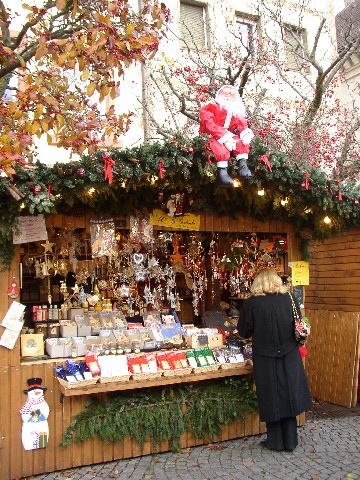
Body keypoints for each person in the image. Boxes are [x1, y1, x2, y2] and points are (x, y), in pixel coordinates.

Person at [237, 268, 312, 452]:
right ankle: (291, 441)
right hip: (289, 354)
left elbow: (244, 331)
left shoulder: (252, 304)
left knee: (271, 396)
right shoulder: (290, 299)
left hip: (265, 357)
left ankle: (275, 442)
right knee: (289, 394)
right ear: (277, 281)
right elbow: (298, 322)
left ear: (258, 284)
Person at [199, 84, 254, 186]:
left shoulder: (235, 110)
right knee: (219, 146)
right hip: (214, 135)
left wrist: (245, 132)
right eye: (226, 95)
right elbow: (209, 124)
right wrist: (223, 136)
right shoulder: (211, 107)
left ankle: (243, 166)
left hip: (230, 135)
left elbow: (241, 123)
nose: (228, 97)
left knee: (241, 142)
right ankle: (222, 172)